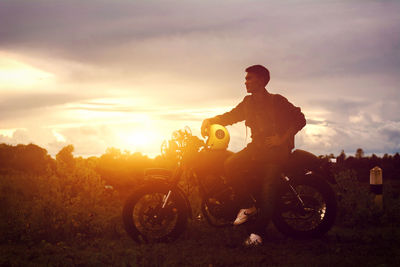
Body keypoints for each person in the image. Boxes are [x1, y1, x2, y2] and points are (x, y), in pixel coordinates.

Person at [201, 65, 306, 247]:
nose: (246, 82)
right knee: (230, 164)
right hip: (256, 148)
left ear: (262, 80)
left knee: (268, 190)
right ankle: (248, 205)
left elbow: (300, 118)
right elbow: (231, 116)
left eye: (250, 78)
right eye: (246, 78)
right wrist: (211, 120)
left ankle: (257, 234)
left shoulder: (277, 101)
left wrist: (281, 139)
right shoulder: (248, 103)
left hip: (276, 152)